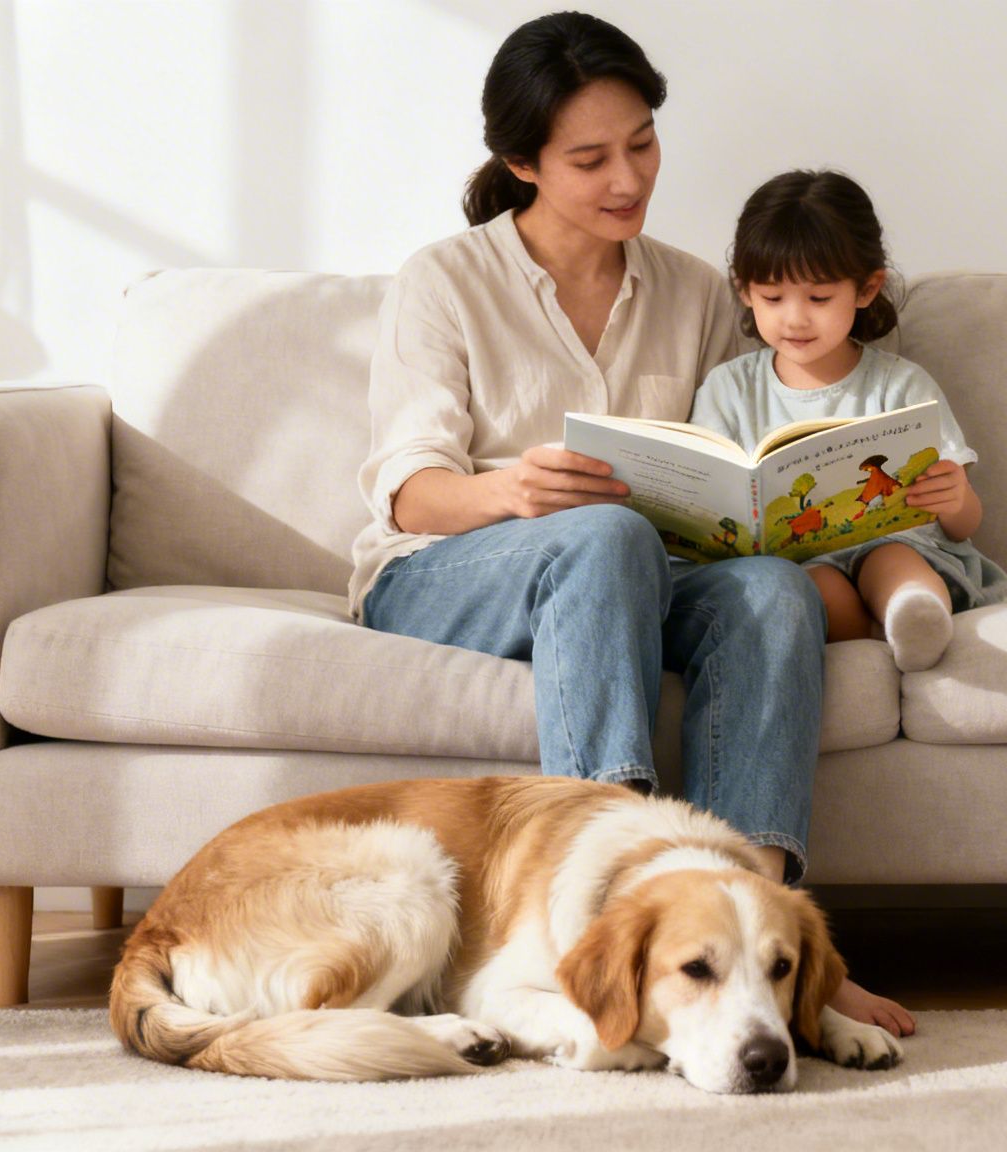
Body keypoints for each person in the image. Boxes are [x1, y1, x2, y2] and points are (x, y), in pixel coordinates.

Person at [348, 13, 912, 1037]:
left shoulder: (696, 289)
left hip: (641, 568)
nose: (628, 178)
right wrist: (509, 491)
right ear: (521, 161)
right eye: (590, 157)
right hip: (448, 569)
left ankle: (758, 952)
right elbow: (406, 492)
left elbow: (723, 466)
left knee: (771, 590)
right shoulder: (446, 280)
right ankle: (603, 939)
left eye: (642, 143)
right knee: (600, 538)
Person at [689, 171, 1007, 672]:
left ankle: (915, 616)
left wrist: (956, 498)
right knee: (814, 585)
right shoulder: (729, 389)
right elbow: (704, 494)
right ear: (745, 291)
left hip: (898, 546)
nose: (794, 319)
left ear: (866, 289)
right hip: (794, 568)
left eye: (818, 299)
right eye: (773, 298)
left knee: (890, 562)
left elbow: (965, 521)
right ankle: (867, 639)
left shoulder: (900, 385)